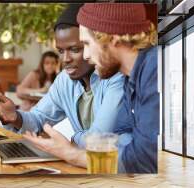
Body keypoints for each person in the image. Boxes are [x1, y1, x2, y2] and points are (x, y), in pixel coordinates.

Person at [24, 3, 159, 173]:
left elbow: (142, 160)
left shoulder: (153, 72)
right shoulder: (131, 80)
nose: (86, 55)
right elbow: (128, 143)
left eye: (87, 44)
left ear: (113, 38)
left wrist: (70, 153)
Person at [0, 4, 127, 147]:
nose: (65, 59)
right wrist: (15, 117)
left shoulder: (115, 77)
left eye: (74, 49)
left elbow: (98, 139)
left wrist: (74, 138)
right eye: (61, 51)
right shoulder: (64, 80)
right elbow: (38, 119)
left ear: (94, 44)